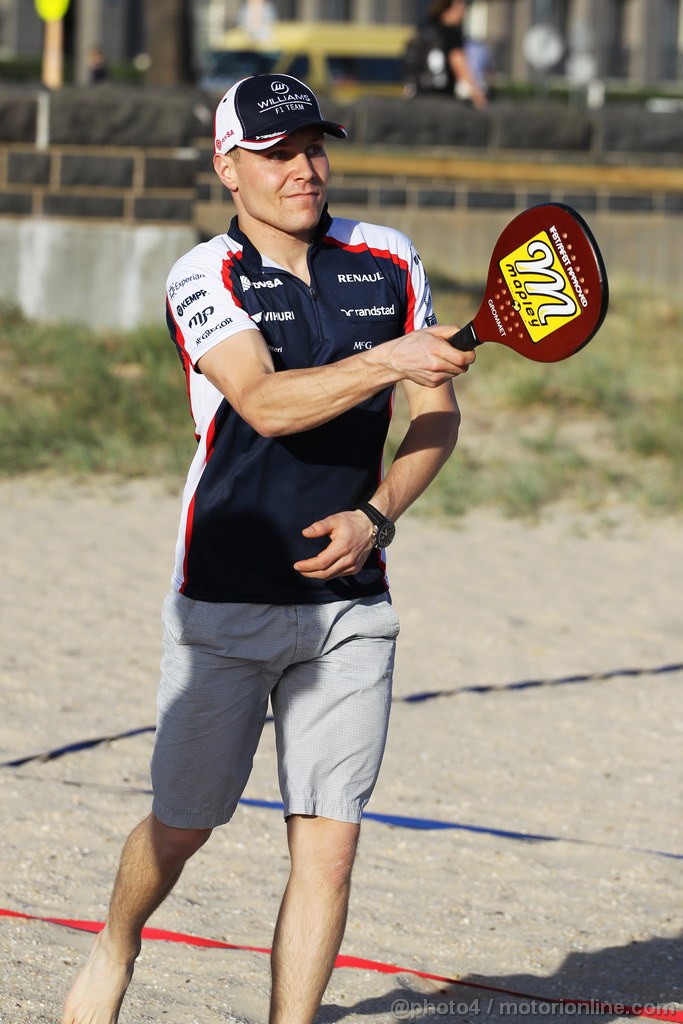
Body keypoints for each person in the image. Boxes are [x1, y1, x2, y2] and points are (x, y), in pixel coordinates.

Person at [62, 72, 475, 1024]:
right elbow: (263, 402)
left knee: (328, 849)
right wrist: (386, 361)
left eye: (314, 148)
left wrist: (378, 515)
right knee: (182, 827)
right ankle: (117, 945)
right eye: (276, 153)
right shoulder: (202, 273)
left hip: (351, 609)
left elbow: (434, 420)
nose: (303, 169)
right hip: (225, 596)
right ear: (228, 167)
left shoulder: (387, 257)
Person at [405, 0, 488, 108]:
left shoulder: (424, 31)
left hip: (419, 96)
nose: (463, 14)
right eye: (459, 10)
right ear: (446, 10)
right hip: (442, 98)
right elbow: (457, 60)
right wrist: (476, 93)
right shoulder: (451, 33)